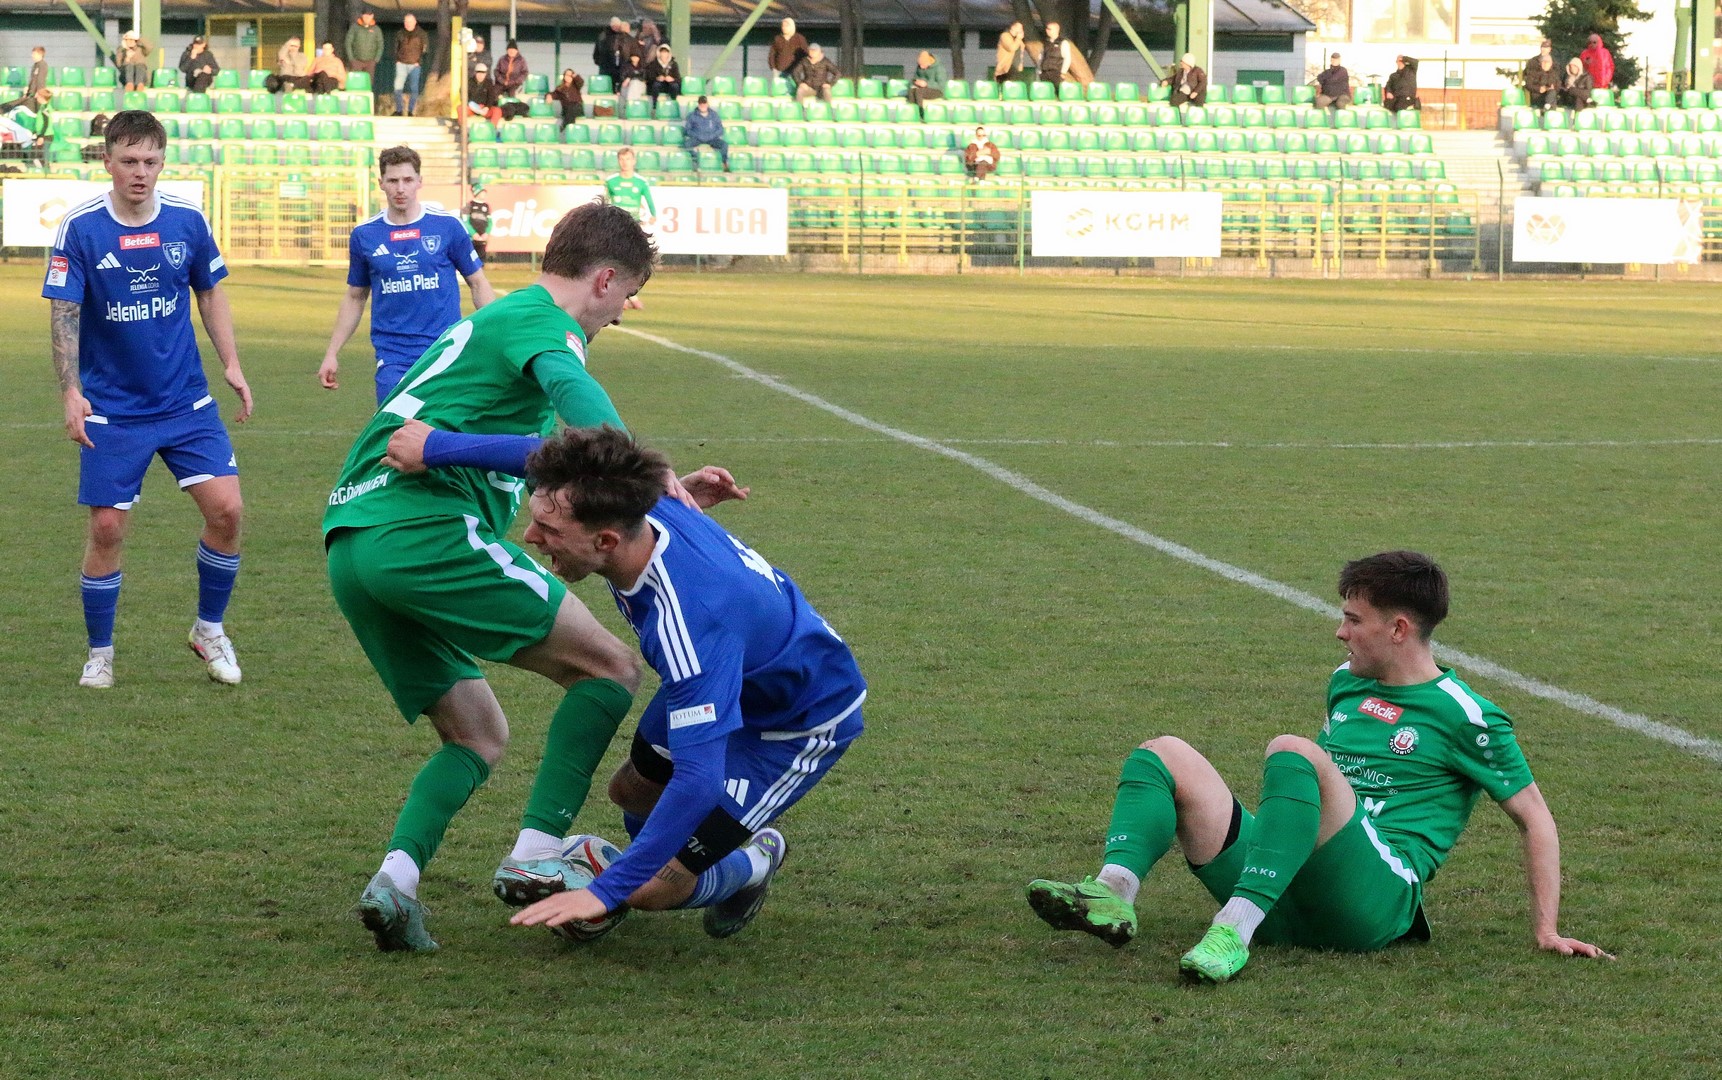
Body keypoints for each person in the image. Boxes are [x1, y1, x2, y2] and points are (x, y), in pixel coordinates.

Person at [323, 202, 679, 953]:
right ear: (604, 280)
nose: (622, 312)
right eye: (626, 295)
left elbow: (549, 459)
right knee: (611, 669)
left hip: (352, 544)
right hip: (423, 531)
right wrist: (638, 468)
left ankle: (395, 881)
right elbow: (592, 435)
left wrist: (449, 447)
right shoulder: (543, 324)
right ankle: (537, 852)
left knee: (476, 736)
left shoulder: (500, 324)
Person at [1025, 551, 1612, 983]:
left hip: (1373, 901)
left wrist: (1547, 930)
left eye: (1354, 619)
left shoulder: (1468, 716)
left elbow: (1535, 817)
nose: (1340, 631)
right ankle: (1113, 893)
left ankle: (1233, 928)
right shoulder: (1346, 684)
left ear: (1398, 629)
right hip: (1289, 891)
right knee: (1163, 753)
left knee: (1294, 749)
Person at [489, 426, 865, 941]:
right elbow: (531, 458)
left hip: (795, 720)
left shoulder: (688, 622)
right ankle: (652, 862)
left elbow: (698, 781)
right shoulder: (645, 503)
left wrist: (607, 890)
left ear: (606, 540)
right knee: (630, 789)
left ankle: (754, 863)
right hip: (730, 672)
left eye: (547, 529)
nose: (530, 537)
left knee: (648, 889)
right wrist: (431, 447)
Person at [43, 110, 252, 691]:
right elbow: (64, 313)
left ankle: (209, 629)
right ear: (108, 161)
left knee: (228, 512)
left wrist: (231, 362)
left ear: (163, 163)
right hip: (112, 408)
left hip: (186, 402)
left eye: (151, 161)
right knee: (108, 528)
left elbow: (209, 293)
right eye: (129, 161)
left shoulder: (186, 220)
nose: (140, 172)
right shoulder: (81, 228)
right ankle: (100, 653)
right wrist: (71, 391)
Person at [319, 145, 494, 402]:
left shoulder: (447, 227)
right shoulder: (365, 235)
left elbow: (478, 283)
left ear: (419, 181)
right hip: (393, 357)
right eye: (393, 181)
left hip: (444, 351)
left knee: (439, 427)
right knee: (395, 425)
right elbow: (355, 297)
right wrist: (332, 352)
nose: (400, 188)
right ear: (381, 183)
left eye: (407, 180)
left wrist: (500, 334)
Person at [605, 149, 654, 310]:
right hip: (616, 226)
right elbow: (605, 201)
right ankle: (624, 297)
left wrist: (653, 214)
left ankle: (629, 295)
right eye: (622, 159)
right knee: (617, 262)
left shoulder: (640, 182)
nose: (625, 162)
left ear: (634, 161)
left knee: (633, 262)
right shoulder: (611, 181)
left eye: (628, 159)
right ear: (618, 161)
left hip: (634, 226)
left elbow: (649, 201)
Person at [682, 95, 730, 171]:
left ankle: (724, 163)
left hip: (712, 139)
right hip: (697, 138)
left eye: (704, 103)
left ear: (707, 104)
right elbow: (687, 130)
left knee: (724, 145)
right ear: (698, 104)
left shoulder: (714, 115)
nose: (703, 105)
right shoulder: (692, 115)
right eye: (701, 104)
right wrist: (697, 135)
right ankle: (697, 159)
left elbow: (720, 129)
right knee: (686, 144)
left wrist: (712, 135)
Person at [394, 13, 428, 116]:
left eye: (410, 22)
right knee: (397, 87)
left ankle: (410, 111)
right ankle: (399, 110)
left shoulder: (421, 34)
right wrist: (397, 60)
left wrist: (419, 62)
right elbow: (395, 47)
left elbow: (425, 49)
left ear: (415, 22)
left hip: (415, 65)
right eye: (406, 22)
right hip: (401, 64)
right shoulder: (400, 33)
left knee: (414, 89)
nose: (408, 24)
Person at [345, 12, 384, 81]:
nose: (367, 18)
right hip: (356, 61)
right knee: (356, 82)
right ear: (362, 15)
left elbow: (380, 45)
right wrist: (351, 58)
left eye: (369, 16)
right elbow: (348, 42)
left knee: (368, 82)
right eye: (365, 16)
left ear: (372, 16)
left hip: (370, 62)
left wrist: (375, 60)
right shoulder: (354, 28)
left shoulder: (376, 29)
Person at [1524, 41, 1561, 113]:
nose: (1544, 49)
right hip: (1537, 95)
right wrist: (1539, 88)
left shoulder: (1555, 66)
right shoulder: (1533, 62)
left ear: (1550, 49)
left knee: (1552, 93)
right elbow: (1528, 82)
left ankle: (1547, 107)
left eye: (1546, 47)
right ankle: (1546, 107)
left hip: (1550, 95)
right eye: (1542, 47)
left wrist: (1553, 87)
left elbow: (1558, 82)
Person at [907, 51, 946, 118]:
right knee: (911, 91)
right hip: (922, 89)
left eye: (923, 65)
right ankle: (913, 112)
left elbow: (941, 84)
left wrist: (927, 84)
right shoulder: (919, 67)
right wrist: (915, 83)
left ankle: (921, 113)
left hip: (937, 90)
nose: (921, 67)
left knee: (919, 92)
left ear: (928, 62)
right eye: (920, 65)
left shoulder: (939, 68)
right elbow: (914, 78)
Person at [593, 17, 626, 86]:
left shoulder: (621, 36)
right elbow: (598, 51)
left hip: (617, 67)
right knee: (606, 85)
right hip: (606, 66)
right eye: (616, 26)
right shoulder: (603, 36)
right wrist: (600, 61)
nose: (617, 27)